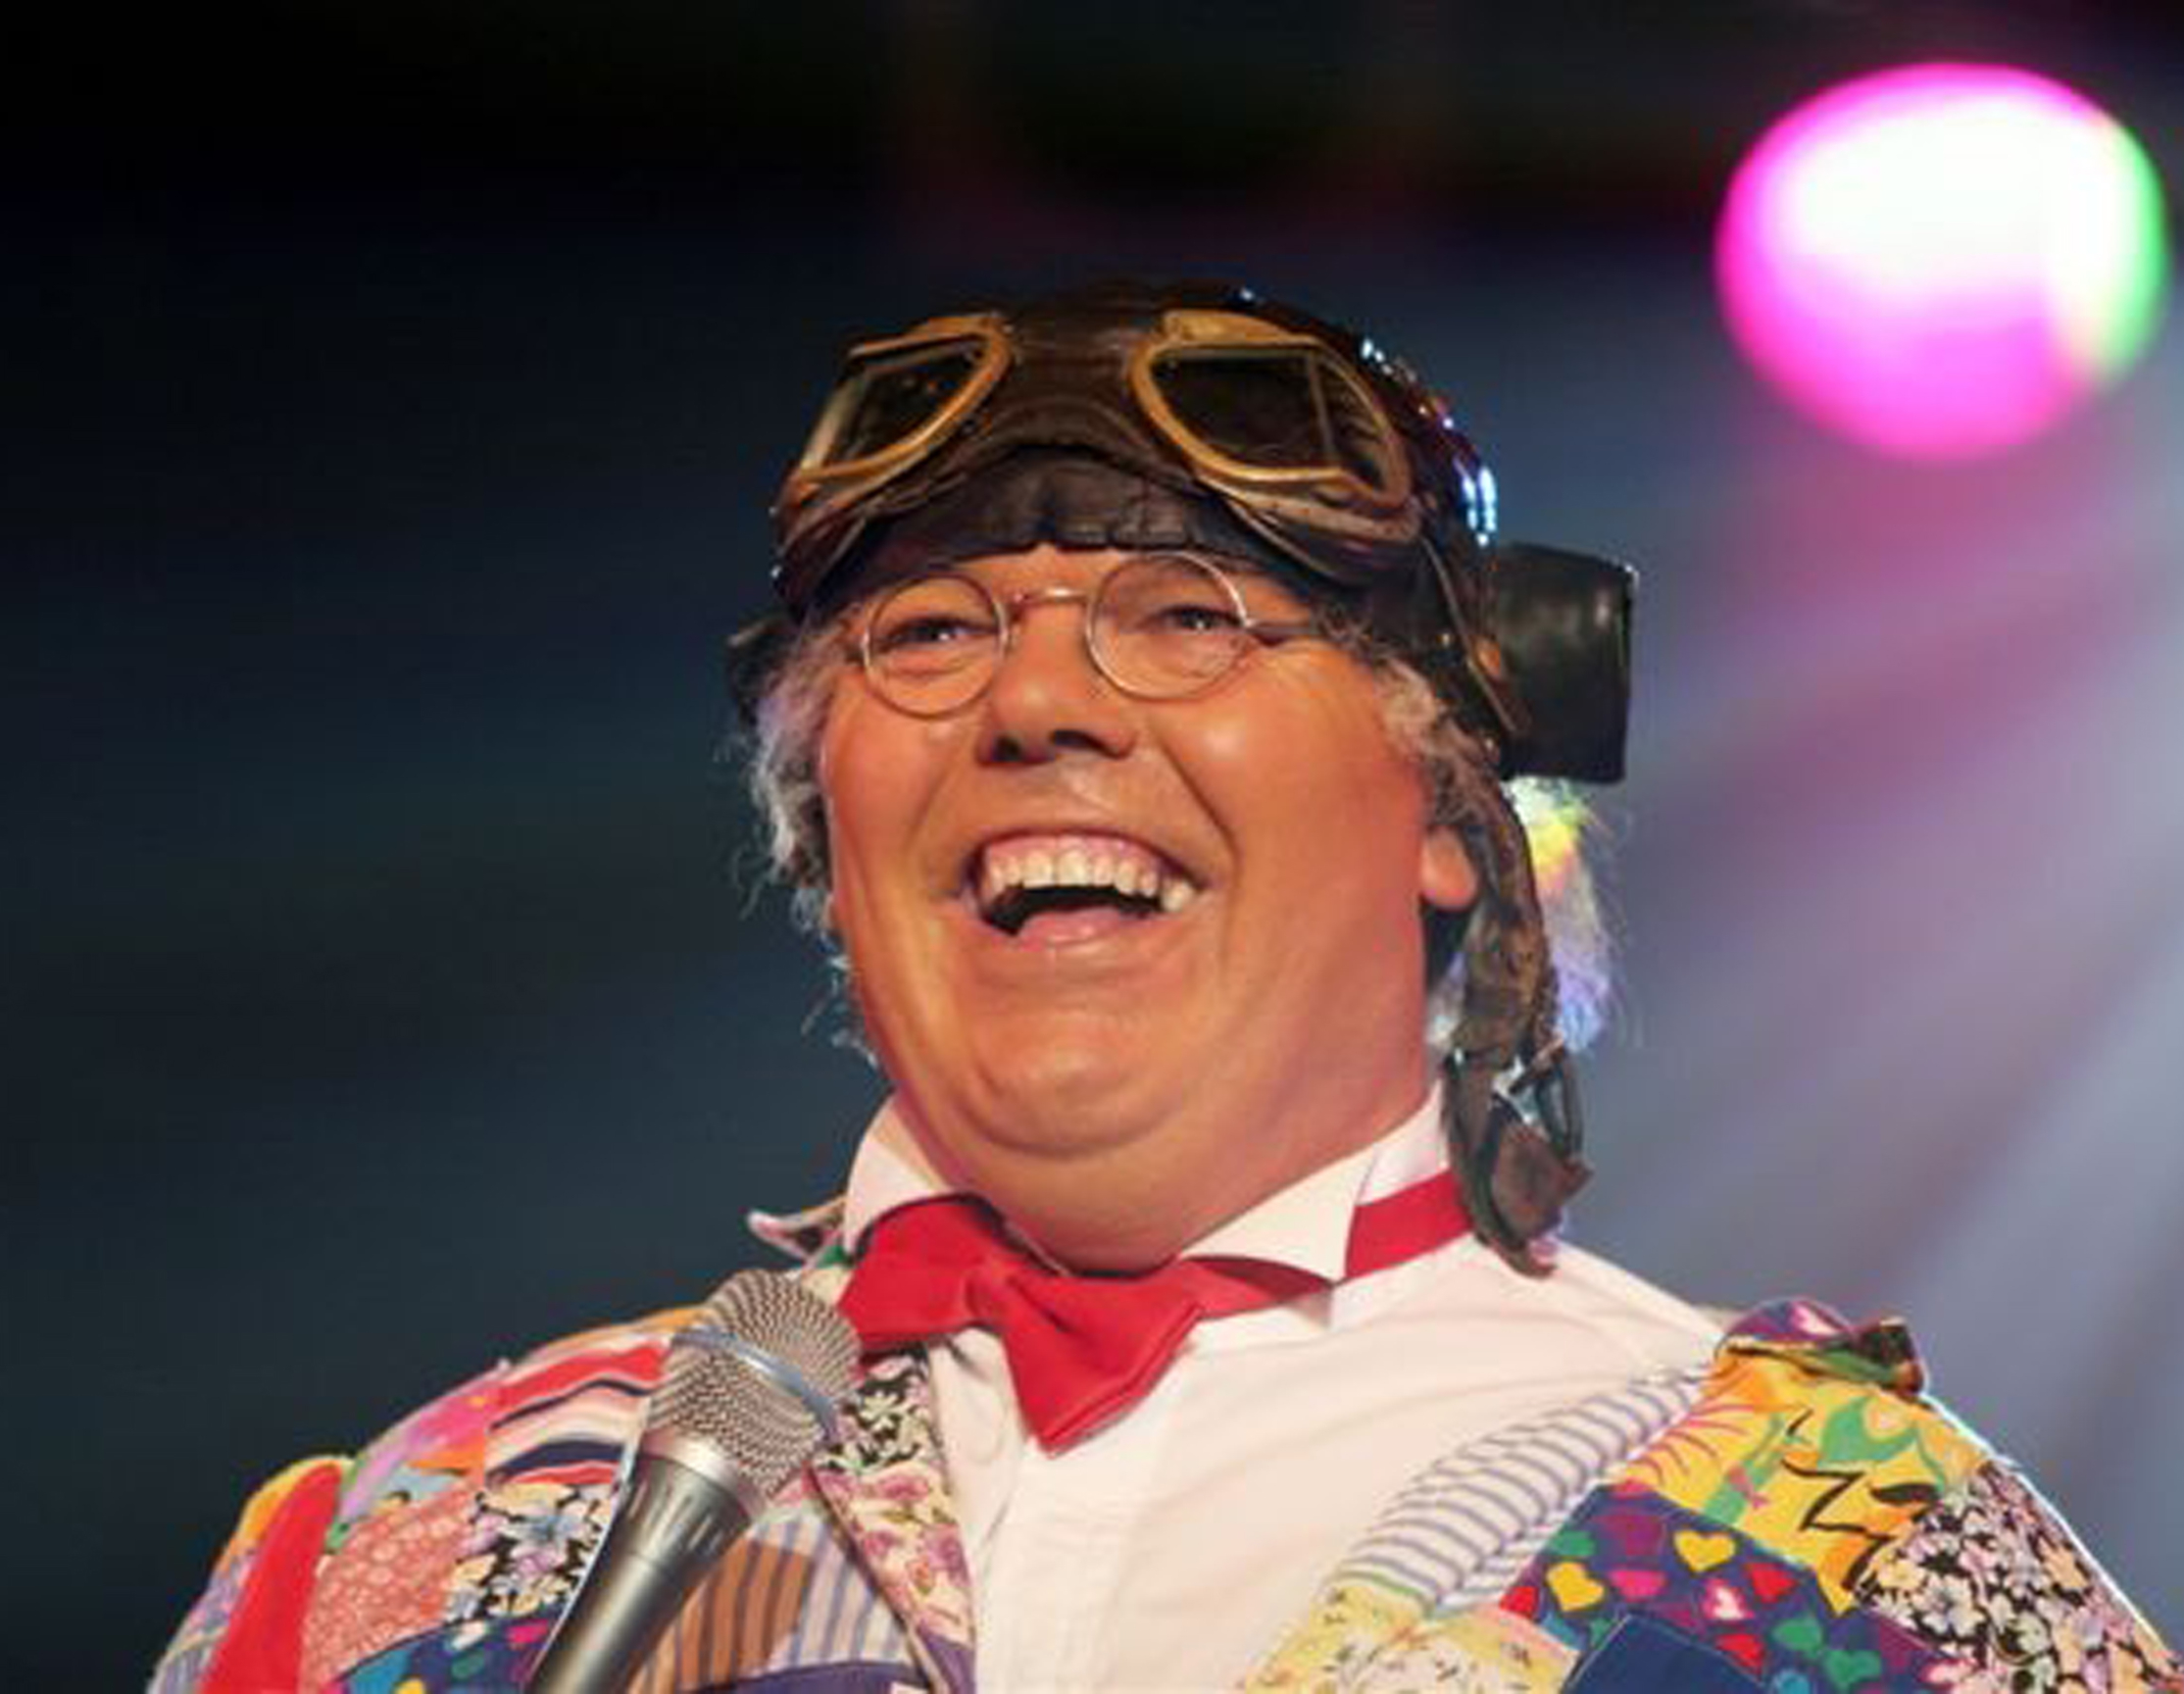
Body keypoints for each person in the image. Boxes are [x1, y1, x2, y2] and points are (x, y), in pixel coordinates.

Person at [151, 282, 2177, 1693]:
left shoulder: (1862, 1563)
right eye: (929, 634)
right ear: (825, 844)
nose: (1034, 700)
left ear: (1447, 810)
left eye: (1187, 615)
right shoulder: (423, 1538)